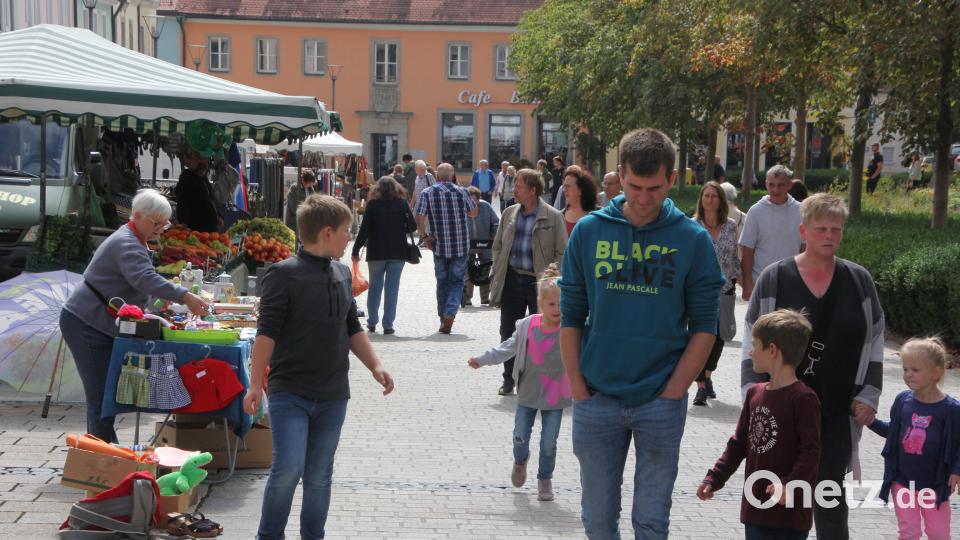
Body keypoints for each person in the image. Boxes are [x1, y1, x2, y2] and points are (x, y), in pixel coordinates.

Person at [560, 128, 724, 538]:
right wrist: (578, 390)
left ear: (672, 179)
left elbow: (705, 325)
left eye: (654, 187)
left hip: (660, 402)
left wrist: (674, 391)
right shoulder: (589, 231)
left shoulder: (692, 239)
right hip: (597, 396)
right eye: (634, 186)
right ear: (620, 175)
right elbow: (570, 317)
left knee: (652, 522)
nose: (644, 197)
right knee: (597, 520)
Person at [244, 194, 395, 540]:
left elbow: (352, 327)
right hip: (289, 391)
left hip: (332, 394)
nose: (349, 238)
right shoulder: (282, 275)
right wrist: (255, 385)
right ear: (327, 232)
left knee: (319, 475)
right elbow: (265, 335)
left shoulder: (342, 273)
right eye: (346, 231)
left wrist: (376, 365)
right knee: (288, 469)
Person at [741, 193, 885, 540]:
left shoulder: (859, 280)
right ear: (803, 230)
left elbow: (876, 337)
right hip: (783, 411)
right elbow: (751, 338)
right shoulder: (776, 278)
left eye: (836, 229)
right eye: (821, 228)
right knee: (785, 498)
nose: (829, 235)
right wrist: (751, 395)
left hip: (838, 410)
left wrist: (869, 394)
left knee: (830, 496)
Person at [59, 189, 209, 442]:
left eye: (165, 224)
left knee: (105, 393)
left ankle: (106, 454)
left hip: (98, 321)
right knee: (100, 395)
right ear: (137, 216)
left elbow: (139, 287)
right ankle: (104, 459)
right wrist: (184, 295)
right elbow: (144, 278)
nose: (161, 229)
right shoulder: (126, 242)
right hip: (86, 322)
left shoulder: (135, 240)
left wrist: (161, 305)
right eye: (156, 223)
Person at [699, 309, 821, 540]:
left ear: (773, 350)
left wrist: (790, 485)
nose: (749, 351)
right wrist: (714, 478)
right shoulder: (755, 393)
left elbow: (811, 452)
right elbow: (738, 443)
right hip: (756, 509)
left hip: (790, 514)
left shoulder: (804, 398)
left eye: (755, 345)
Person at [468, 265, 570, 502]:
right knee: (520, 436)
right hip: (528, 393)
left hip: (556, 396)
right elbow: (506, 348)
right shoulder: (528, 326)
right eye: (552, 304)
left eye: (562, 304)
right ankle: (520, 461)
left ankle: (545, 479)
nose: (557, 309)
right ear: (540, 303)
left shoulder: (570, 329)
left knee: (548, 444)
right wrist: (482, 360)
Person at [865, 337, 960, 540]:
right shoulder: (902, 401)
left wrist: (956, 470)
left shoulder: (951, 409)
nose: (908, 374)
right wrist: (870, 422)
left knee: (938, 534)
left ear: (936, 372)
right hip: (903, 481)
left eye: (915, 370)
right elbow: (894, 431)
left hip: (935, 485)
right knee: (908, 532)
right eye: (905, 369)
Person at [489, 169, 566, 395]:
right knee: (508, 332)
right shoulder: (509, 213)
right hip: (512, 279)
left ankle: (540, 381)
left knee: (543, 334)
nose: (514, 189)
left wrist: (550, 280)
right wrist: (498, 269)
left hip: (539, 285)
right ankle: (508, 379)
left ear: (533, 190)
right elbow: (498, 246)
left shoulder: (553, 216)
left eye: (519, 186)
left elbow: (563, 252)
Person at [692, 181, 741, 406]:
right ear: (701, 200)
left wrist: (740, 281)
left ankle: (708, 374)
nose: (710, 200)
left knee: (720, 336)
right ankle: (701, 385)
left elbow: (734, 257)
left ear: (720, 200)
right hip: (698, 290)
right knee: (701, 334)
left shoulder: (730, 225)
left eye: (714, 196)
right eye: (706, 196)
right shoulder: (692, 225)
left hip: (725, 288)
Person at [415, 162, 477, 334]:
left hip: (439, 245)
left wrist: (424, 236)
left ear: (436, 175)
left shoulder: (428, 193)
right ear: (452, 175)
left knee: (442, 282)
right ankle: (450, 314)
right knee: (457, 281)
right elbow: (473, 212)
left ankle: (443, 317)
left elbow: (419, 215)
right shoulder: (462, 191)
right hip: (460, 245)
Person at [351, 176, 417, 334]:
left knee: (375, 287)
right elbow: (413, 226)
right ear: (397, 188)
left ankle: (372, 322)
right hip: (398, 252)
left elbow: (364, 230)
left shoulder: (373, 205)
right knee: (392, 288)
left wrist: (355, 250)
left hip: (376, 252)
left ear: (377, 189)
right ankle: (388, 325)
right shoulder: (402, 203)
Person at [740, 164, 802, 301]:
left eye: (781, 185)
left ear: (789, 185)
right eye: (771, 184)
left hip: (793, 281)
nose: (775, 189)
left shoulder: (801, 211)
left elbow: (804, 246)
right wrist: (748, 283)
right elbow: (747, 250)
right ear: (766, 184)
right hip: (761, 281)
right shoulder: (755, 211)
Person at [462, 186, 499, 306]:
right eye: (469, 199)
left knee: (486, 269)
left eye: (474, 199)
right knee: (468, 270)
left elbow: (496, 222)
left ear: (478, 199)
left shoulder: (486, 206)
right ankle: (467, 298)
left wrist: (494, 235)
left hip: (485, 242)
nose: (472, 202)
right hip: (467, 244)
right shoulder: (461, 207)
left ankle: (484, 297)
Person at [174, 148, 220, 232]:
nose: (202, 162)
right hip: (196, 233)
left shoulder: (203, 178)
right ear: (190, 160)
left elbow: (210, 201)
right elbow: (182, 205)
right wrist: (185, 226)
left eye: (205, 158)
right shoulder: (187, 179)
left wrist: (218, 216)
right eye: (198, 158)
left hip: (208, 233)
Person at [560, 165, 598, 237]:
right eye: (564, 186)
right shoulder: (559, 216)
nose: (564, 190)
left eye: (568, 186)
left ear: (581, 189)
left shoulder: (598, 215)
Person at [284, 170, 318, 238]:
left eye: (311, 183)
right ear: (303, 180)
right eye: (308, 183)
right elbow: (294, 208)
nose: (310, 185)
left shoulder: (310, 189)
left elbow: (314, 202)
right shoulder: (294, 188)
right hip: (294, 222)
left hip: (305, 222)